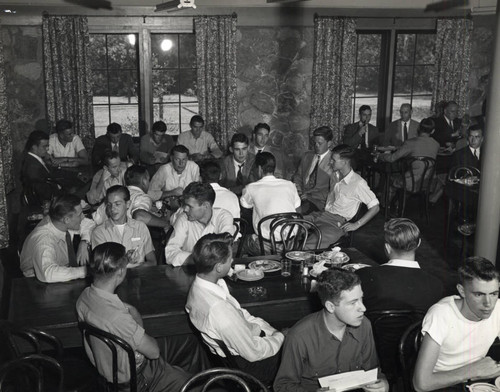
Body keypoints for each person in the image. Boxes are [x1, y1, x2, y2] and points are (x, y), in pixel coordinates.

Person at [76, 242, 191, 392]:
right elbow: (153, 352)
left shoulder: (84, 297)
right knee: (196, 383)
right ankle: (189, 381)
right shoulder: (118, 318)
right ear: (121, 271)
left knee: (188, 343)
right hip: (138, 379)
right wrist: (135, 314)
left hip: (109, 369)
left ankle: (177, 373)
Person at [186, 233, 284, 385]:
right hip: (249, 368)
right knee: (302, 347)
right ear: (218, 267)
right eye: (229, 259)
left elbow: (241, 314)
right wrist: (281, 337)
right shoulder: (219, 310)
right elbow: (253, 353)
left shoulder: (200, 286)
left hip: (241, 348)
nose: (232, 261)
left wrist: (268, 331)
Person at [274, 268, 389, 392]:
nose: (363, 308)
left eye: (361, 299)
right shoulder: (299, 336)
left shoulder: (364, 325)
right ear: (330, 306)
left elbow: (373, 371)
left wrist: (382, 383)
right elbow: (282, 386)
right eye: (353, 302)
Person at [357, 218, 444, 378]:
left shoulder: (364, 277)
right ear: (418, 244)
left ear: (387, 247)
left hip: (371, 358)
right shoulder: (436, 285)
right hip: (415, 360)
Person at [413, 257, 500, 392]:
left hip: (475, 382)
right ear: (462, 291)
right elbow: (421, 384)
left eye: (494, 294)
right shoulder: (441, 314)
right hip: (441, 386)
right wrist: (473, 370)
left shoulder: (498, 308)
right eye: (479, 294)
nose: (488, 303)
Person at [305, 144, 380, 248]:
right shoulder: (335, 175)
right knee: (291, 224)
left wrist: (357, 224)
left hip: (335, 223)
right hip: (322, 215)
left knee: (309, 246)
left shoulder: (358, 183)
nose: (330, 162)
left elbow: (375, 207)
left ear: (344, 162)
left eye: (333, 160)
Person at [240, 152, 301, 255]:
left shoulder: (251, 188)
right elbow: (299, 214)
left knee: (241, 241)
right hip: (291, 244)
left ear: (259, 168)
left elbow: (245, 214)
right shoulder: (290, 185)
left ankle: (252, 267)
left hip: (264, 246)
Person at [20, 194, 87, 283]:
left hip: (61, 274)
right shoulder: (44, 239)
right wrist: (85, 271)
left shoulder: (58, 221)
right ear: (66, 220)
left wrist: (84, 241)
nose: (83, 217)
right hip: (37, 283)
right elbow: (48, 274)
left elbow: (89, 224)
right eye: (80, 214)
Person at [164, 182, 234, 267]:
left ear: (206, 206)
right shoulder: (184, 218)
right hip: (188, 270)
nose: (185, 209)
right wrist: (200, 261)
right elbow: (170, 252)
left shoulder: (224, 217)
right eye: (185, 205)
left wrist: (198, 259)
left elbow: (224, 250)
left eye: (190, 206)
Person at [377, 117, 440, 205]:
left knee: (391, 180)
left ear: (418, 129)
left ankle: (384, 206)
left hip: (411, 183)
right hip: (428, 183)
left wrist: (380, 155)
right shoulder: (436, 144)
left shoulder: (410, 143)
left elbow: (392, 158)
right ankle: (398, 205)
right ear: (433, 131)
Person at [91, 185, 156, 267]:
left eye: (117, 204)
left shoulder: (140, 227)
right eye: (109, 205)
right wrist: (127, 259)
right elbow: (103, 267)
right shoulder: (99, 232)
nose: (112, 209)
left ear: (128, 204)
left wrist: (137, 271)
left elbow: (152, 261)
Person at [292, 126, 334, 214]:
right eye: (314, 143)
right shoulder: (307, 156)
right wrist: (299, 191)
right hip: (300, 196)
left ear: (329, 143)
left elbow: (334, 190)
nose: (316, 146)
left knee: (297, 213)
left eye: (320, 143)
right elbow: (298, 176)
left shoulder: (334, 162)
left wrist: (310, 196)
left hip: (318, 201)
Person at [21, 130, 62, 205]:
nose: (47, 149)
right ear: (34, 147)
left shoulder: (34, 159)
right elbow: (43, 193)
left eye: (48, 146)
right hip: (45, 203)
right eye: (44, 146)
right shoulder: (32, 166)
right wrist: (60, 188)